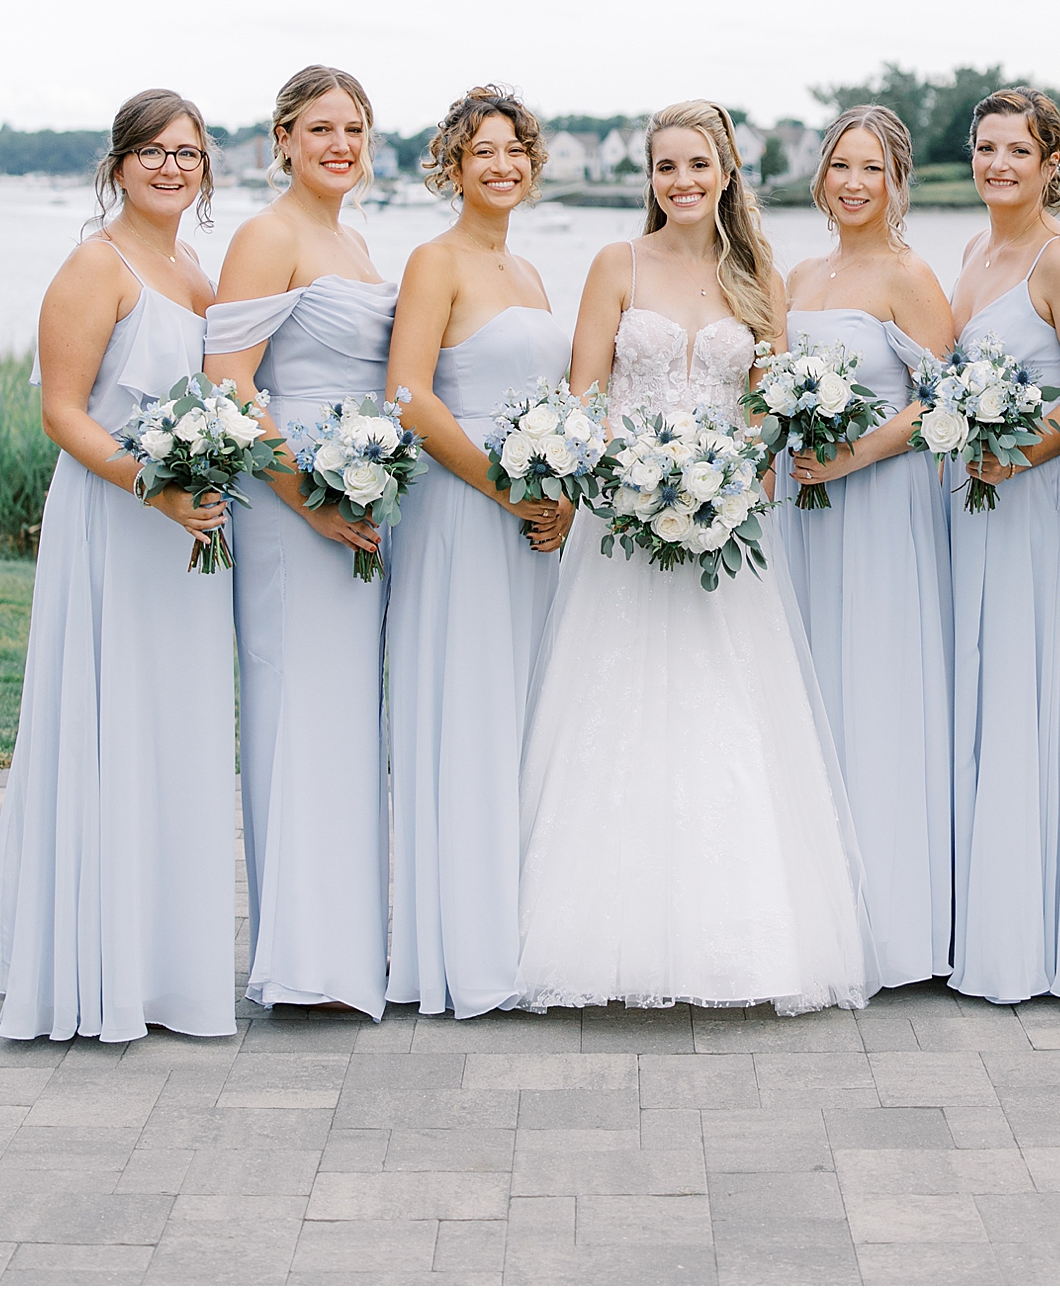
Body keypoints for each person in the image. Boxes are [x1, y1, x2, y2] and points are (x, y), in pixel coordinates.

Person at [515, 100, 876, 1013]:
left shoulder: (756, 273)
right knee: (617, 705)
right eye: (665, 167)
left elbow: (769, 403)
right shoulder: (614, 264)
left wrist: (725, 478)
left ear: (726, 174)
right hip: (622, 532)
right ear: (650, 177)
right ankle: (598, 944)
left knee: (726, 711)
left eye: (698, 166)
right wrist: (624, 483)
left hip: (727, 528)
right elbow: (585, 396)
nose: (682, 182)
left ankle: (735, 944)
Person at [0, 91, 236, 1042]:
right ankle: (96, 960)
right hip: (118, 516)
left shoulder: (197, 271)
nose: (173, 168)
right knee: (112, 716)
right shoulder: (97, 265)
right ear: (119, 163)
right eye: (155, 152)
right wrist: (152, 487)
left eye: (190, 153)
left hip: (186, 530)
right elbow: (64, 410)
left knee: (175, 728)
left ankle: (165, 958)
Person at [204, 65, 397, 1019]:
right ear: (281, 138)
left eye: (353, 129)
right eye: (319, 128)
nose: (339, 145)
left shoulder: (355, 241)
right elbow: (231, 383)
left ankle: (345, 949)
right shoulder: (266, 235)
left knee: (345, 721)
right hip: (292, 511)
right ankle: (299, 960)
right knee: (295, 716)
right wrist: (309, 496)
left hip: (360, 502)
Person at [385, 86, 572, 1018]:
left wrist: (563, 495)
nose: (501, 165)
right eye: (481, 151)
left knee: (527, 720)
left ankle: (523, 931)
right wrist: (507, 487)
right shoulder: (435, 260)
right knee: (469, 713)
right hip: (464, 515)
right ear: (452, 166)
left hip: (535, 528)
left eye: (515, 150)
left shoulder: (534, 275)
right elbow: (411, 396)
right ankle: (461, 948)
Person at [947, 88, 1060, 1006]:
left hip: (1038, 510)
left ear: (1051, 162)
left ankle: (1040, 933)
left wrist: (1016, 453)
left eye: (1018, 150)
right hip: (976, 506)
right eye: (985, 148)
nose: (998, 164)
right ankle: (983, 913)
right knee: (983, 691)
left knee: (1031, 692)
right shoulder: (975, 251)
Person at [777, 105, 957, 988]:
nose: (853, 182)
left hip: (880, 508)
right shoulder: (799, 274)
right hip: (799, 508)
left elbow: (947, 403)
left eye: (872, 169)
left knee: (876, 691)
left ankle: (894, 925)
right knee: (808, 693)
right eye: (841, 165)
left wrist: (850, 454)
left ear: (897, 182)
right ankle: (818, 916)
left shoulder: (909, 275)